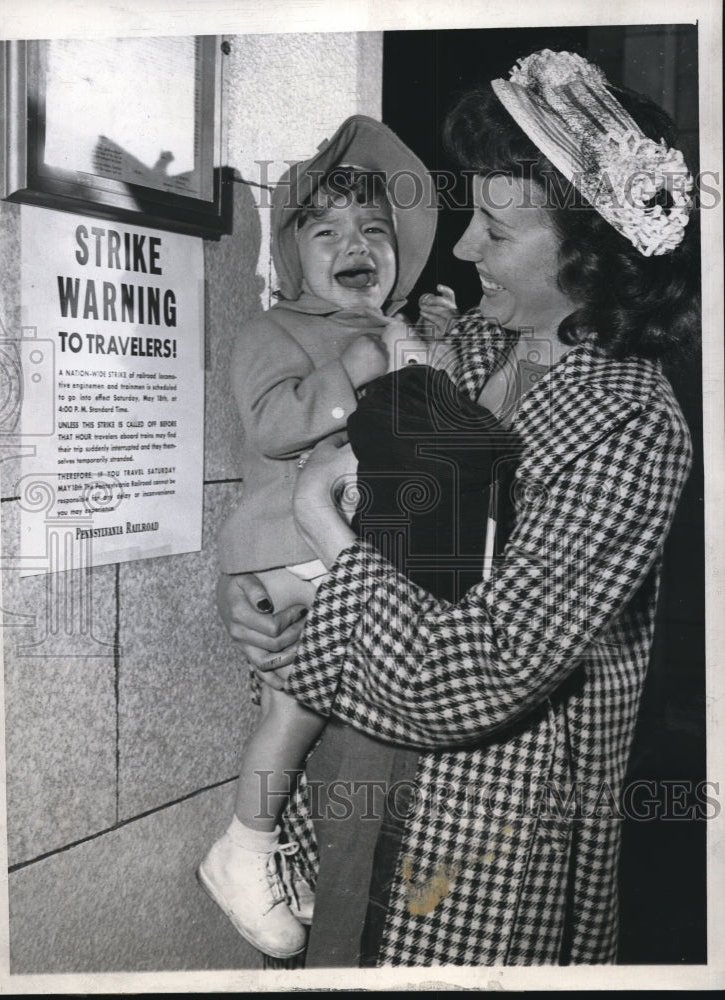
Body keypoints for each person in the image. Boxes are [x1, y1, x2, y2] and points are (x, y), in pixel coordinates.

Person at [219, 49, 699, 966]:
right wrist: (268, 612)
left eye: (496, 227)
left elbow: (475, 673)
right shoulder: (470, 347)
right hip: (361, 770)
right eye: (471, 213)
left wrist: (325, 529)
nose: (464, 246)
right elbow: (365, 532)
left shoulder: (630, 423)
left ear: (593, 255)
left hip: (491, 821)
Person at [198, 115, 452, 959]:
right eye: (328, 230)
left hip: (355, 552)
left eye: (375, 231)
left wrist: (432, 349)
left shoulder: (393, 328)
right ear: (292, 254)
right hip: (288, 545)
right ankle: (243, 846)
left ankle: (278, 848)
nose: (357, 245)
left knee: (324, 718)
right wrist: (358, 367)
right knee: (296, 706)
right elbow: (273, 425)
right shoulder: (273, 332)